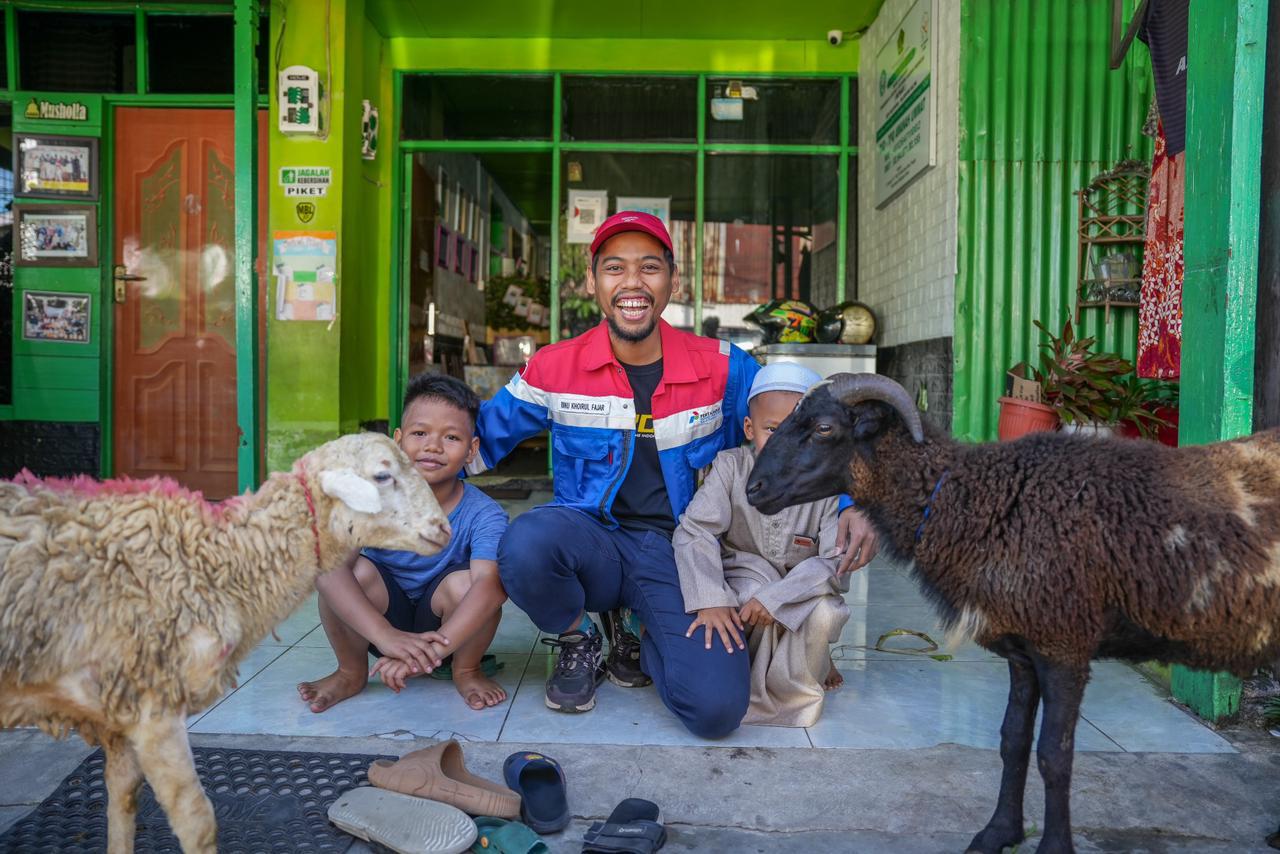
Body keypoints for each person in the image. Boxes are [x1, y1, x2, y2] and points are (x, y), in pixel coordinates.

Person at [470, 210, 878, 738]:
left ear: (672, 280)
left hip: (679, 553)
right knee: (525, 542)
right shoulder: (554, 366)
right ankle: (579, 639)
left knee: (714, 710)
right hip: (588, 540)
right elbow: (474, 439)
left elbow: (807, 428)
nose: (632, 283)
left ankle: (641, 632)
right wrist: (392, 467)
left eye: (649, 267)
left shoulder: (725, 367)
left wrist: (853, 502)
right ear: (593, 281)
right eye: (614, 268)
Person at [298, 374, 510, 712]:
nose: (433, 446)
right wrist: (385, 636)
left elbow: (492, 588)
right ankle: (351, 672)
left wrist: (433, 652)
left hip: (448, 632)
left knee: (470, 582)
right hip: (379, 623)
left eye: (452, 437)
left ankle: (466, 669)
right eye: (420, 433)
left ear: (472, 450)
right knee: (347, 567)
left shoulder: (485, 513)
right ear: (397, 441)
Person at [673, 362, 851, 728]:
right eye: (773, 429)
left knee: (828, 613)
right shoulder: (730, 467)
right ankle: (757, 682)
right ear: (749, 429)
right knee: (748, 595)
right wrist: (709, 597)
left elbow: (835, 561)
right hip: (744, 577)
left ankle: (798, 685)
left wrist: (779, 597)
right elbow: (695, 530)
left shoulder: (831, 483)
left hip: (803, 588)